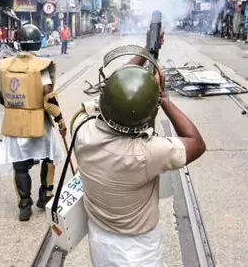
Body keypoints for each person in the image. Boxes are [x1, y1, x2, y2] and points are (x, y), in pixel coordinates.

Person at [74, 30, 207, 265]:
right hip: (137, 252)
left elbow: (116, 87)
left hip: (99, 238)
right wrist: (164, 98)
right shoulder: (146, 153)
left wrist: (146, 51)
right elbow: (197, 143)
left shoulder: (83, 130)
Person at [0, 24, 67, 221]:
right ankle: (46, 195)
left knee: (19, 166)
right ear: (37, 42)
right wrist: (60, 120)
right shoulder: (41, 67)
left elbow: (3, 98)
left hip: (13, 124)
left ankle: (24, 205)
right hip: (38, 123)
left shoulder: (5, 66)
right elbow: (49, 98)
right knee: (50, 156)